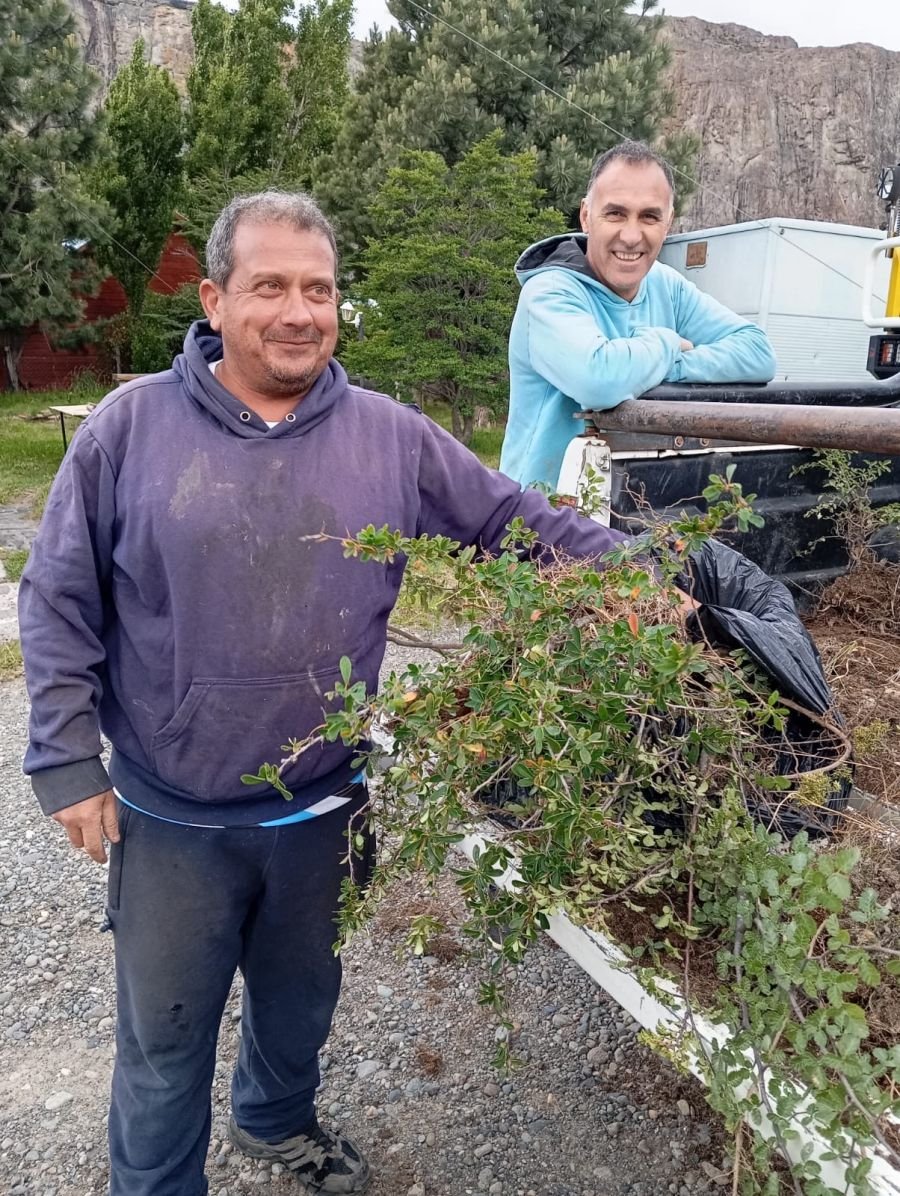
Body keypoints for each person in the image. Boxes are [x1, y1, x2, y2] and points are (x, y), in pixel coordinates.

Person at [19, 191, 647, 1196]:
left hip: (323, 800)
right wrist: (63, 757)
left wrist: (637, 578)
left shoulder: (389, 435)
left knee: (302, 997)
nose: (299, 311)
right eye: (270, 286)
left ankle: (274, 1121)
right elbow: (55, 594)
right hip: (171, 812)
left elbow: (508, 520)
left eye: (319, 289)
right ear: (217, 299)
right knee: (163, 1041)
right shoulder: (126, 430)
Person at [499, 139, 777, 491]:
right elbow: (598, 380)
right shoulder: (550, 292)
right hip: (540, 522)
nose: (631, 236)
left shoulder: (666, 285)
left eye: (649, 216)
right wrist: (668, 342)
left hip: (637, 506)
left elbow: (758, 352)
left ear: (669, 222)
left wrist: (669, 364)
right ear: (586, 215)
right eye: (615, 213)